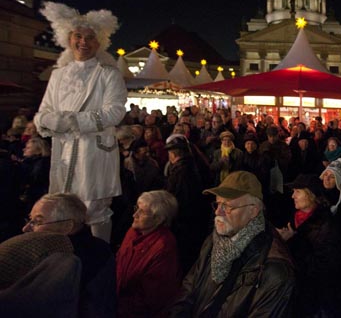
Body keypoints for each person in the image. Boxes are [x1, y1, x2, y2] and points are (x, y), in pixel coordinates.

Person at [34, 1, 127, 243]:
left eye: (89, 37)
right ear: (68, 38)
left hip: (94, 154)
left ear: (99, 43)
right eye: (78, 36)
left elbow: (115, 112)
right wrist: (50, 121)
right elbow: (42, 114)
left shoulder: (109, 74)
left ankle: (100, 262)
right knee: (61, 210)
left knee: (96, 212)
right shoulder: (57, 75)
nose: (83, 42)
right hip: (62, 153)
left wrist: (72, 121)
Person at [169, 171, 295, 317]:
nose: (218, 212)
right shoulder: (214, 239)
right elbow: (189, 287)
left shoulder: (275, 270)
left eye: (227, 206)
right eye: (217, 204)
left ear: (253, 211)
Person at [23, 193, 117, 317]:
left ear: (67, 226)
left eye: (38, 221)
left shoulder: (90, 256)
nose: (25, 228)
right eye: (30, 219)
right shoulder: (46, 248)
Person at [277, 173, 341, 318]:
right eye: (293, 191)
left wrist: (291, 240)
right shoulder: (294, 216)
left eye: (298, 192)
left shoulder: (326, 224)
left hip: (314, 294)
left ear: (311, 195)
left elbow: (323, 266)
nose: (292, 196)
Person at [116, 190, 181, 318]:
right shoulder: (134, 231)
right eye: (136, 208)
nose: (135, 214)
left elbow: (151, 298)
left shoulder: (164, 247)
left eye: (143, 212)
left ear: (158, 219)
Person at [164, 135, 210, 275]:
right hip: (196, 218)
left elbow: (177, 197)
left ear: (172, 154)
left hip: (185, 221)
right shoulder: (195, 164)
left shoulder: (180, 171)